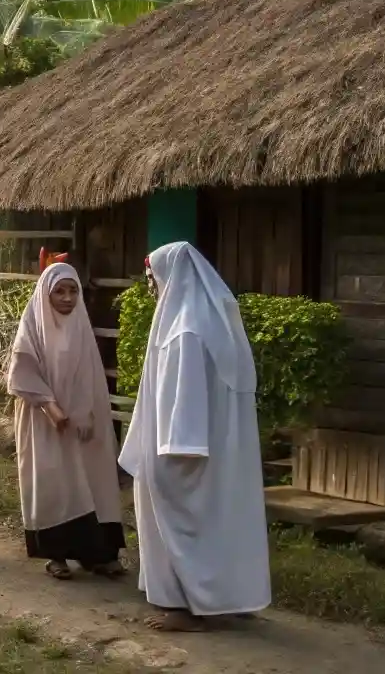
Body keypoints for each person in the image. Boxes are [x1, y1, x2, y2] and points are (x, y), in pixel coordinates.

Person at [118, 241, 271, 632]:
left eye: (153, 279)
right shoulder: (213, 323)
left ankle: (181, 605)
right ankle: (224, 597)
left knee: (176, 526)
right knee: (221, 523)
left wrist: (174, 455)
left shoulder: (183, 330)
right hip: (221, 450)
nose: (152, 288)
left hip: (182, 448)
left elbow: (184, 397)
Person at [6, 261, 127, 581]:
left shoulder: (81, 326)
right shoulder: (33, 325)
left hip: (85, 423)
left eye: (73, 290)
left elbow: (90, 376)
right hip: (45, 422)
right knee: (54, 482)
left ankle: (100, 554)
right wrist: (51, 407)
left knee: (93, 481)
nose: (67, 298)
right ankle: (55, 554)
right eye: (59, 291)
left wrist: (85, 412)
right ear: (45, 294)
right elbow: (21, 372)